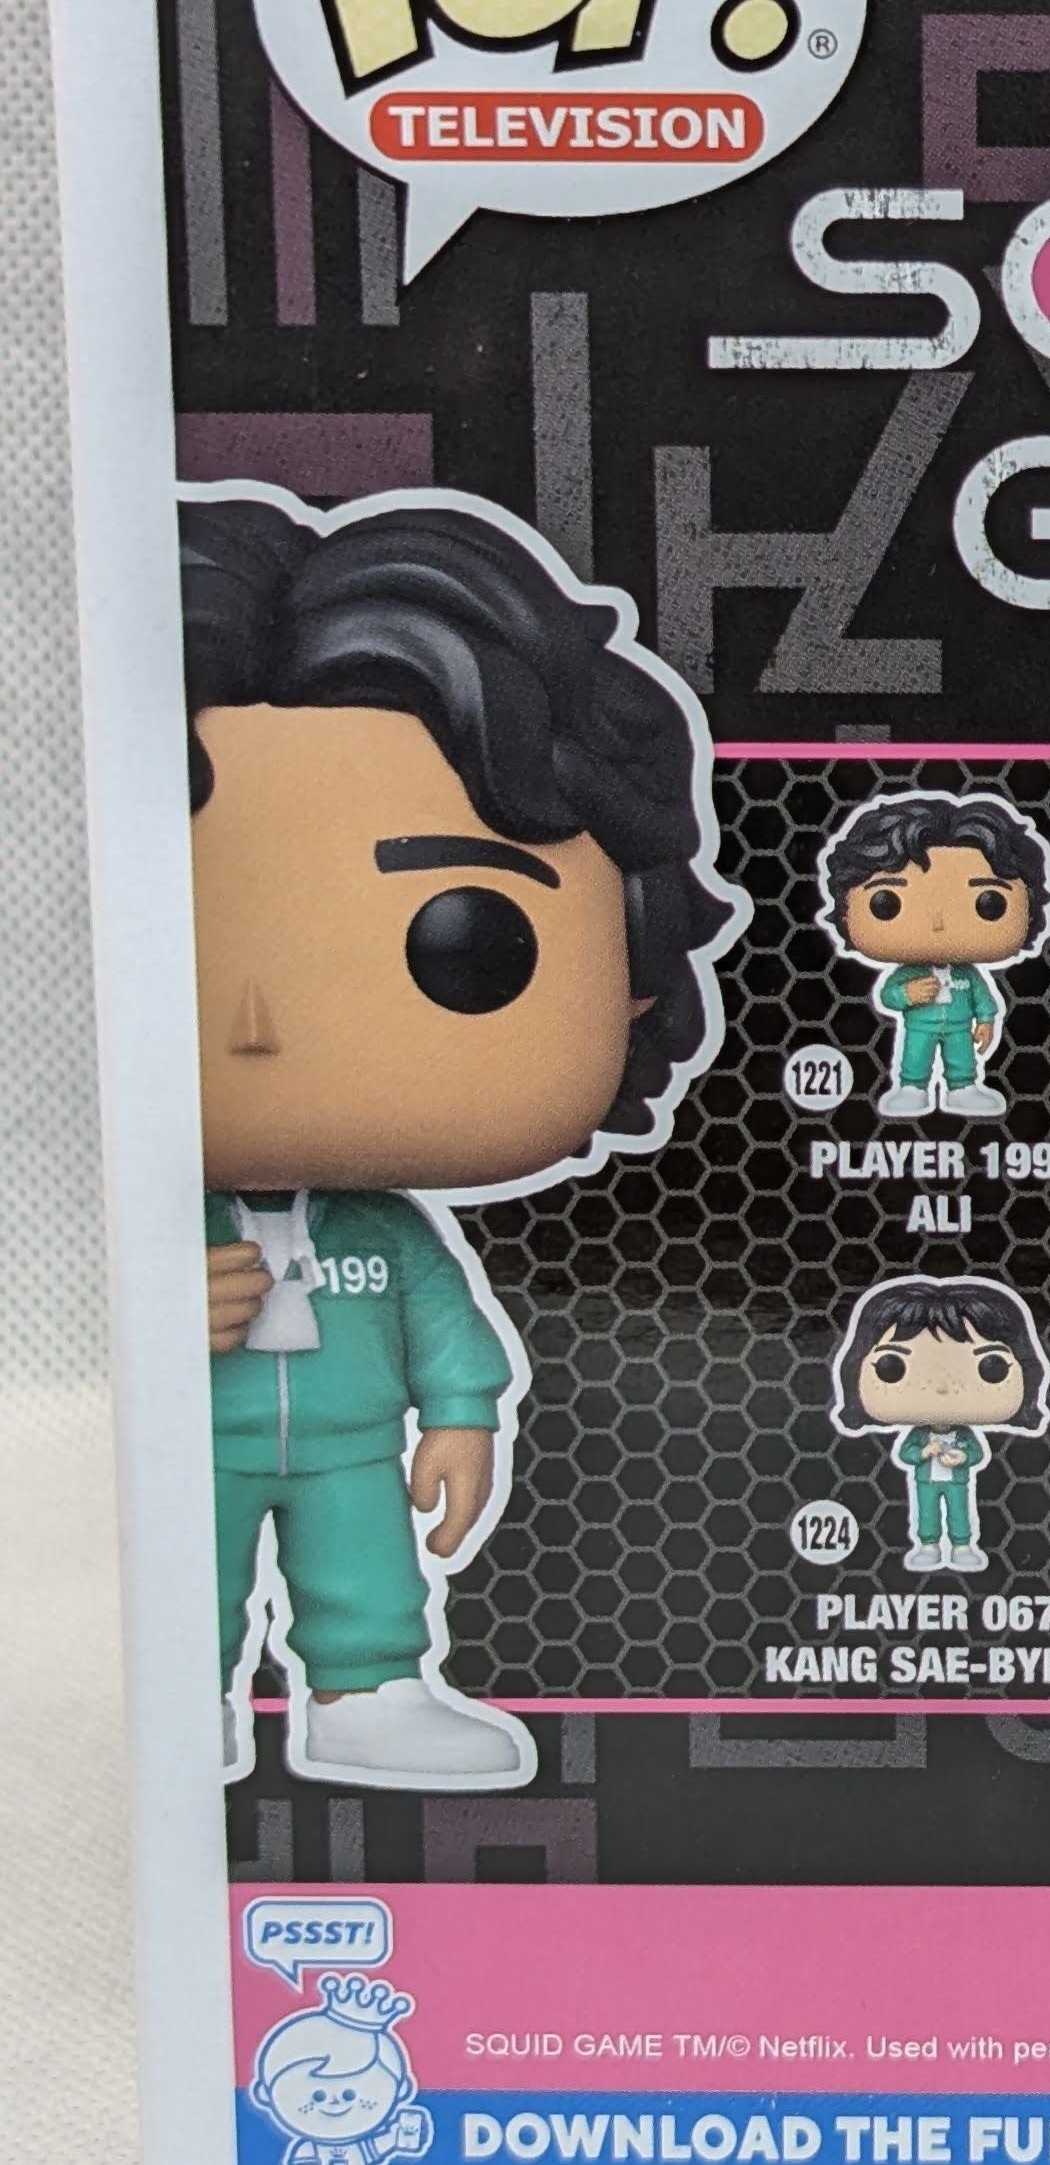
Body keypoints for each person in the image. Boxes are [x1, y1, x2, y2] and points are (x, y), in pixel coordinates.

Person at [185, 483, 744, 1791]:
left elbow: (447, 1329)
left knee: (364, 1565)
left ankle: (370, 1689)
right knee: (183, 1569)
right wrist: (139, 1329)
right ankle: (177, 1696)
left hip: (350, 1446)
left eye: (466, 943)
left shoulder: (383, 1232)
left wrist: (463, 1417)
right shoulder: (156, 1236)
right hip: (188, 1450)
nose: (258, 1023)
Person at [817, 790, 1050, 1120]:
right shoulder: (909, 971)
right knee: (915, 1057)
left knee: (962, 1059)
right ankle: (912, 1088)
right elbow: (888, 995)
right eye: (886, 903)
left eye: (989, 903)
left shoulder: (967, 974)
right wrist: (907, 994)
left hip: (959, 1025)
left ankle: (963, 1089)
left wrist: (987, 1021)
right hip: (921, 1025)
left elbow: (983, 998)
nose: (938, 923)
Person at [828, 1273, 1050, 1574]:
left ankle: (962, 1546)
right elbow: (906, 1453)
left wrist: (963, 1456)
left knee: (959, 1513)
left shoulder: (963, 1434)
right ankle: (928, 1546)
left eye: (992, 1368)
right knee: (928, 1514)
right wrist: (923, 1452)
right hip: (927, 1482)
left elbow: (976, 1453)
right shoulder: (920, 1434)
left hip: (957, 1481)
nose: (942, 1388)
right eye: (891, 1367)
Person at [246, 1975, 432, 2165]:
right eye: (318, 2096)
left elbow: (382, 2146)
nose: (334, 2102)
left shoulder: (360, 2147)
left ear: (401, 2091)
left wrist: (399, 2137)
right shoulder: (309, 2148)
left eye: (349, 2095)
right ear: (265, 2094)